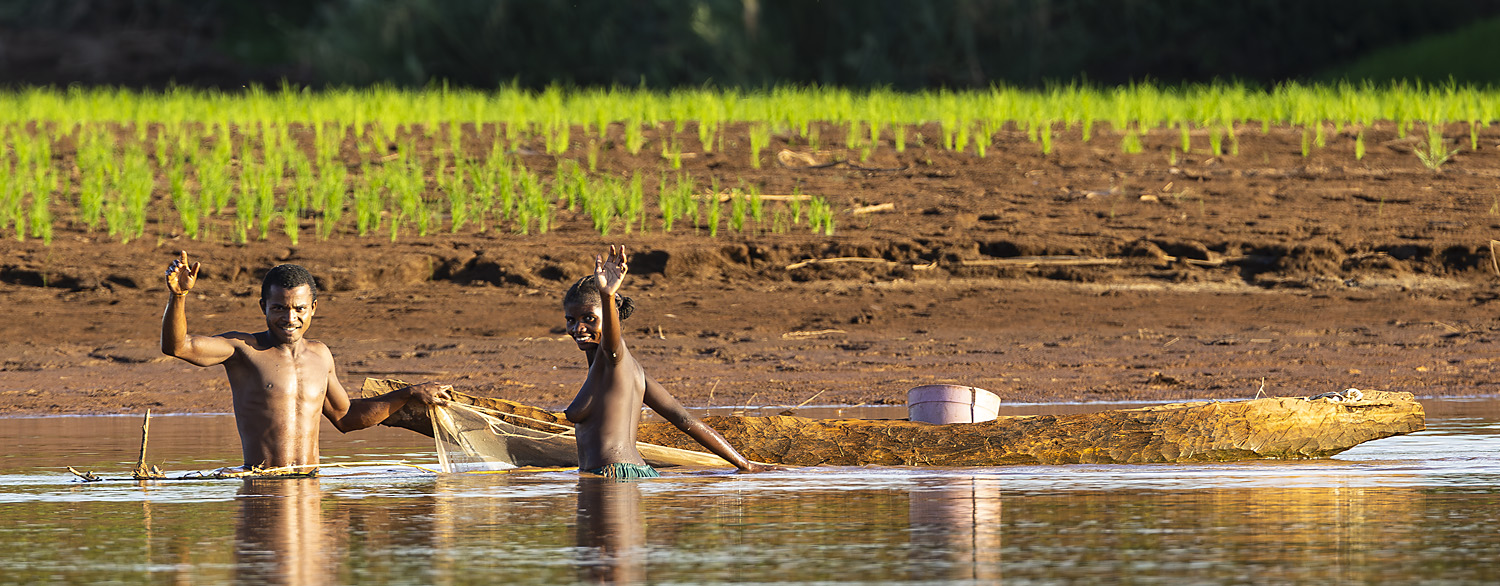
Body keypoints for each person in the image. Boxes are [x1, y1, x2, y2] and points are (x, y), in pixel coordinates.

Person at [160, 251, 451, 471]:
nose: (290, 318)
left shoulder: (320, 355)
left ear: (312, 308)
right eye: (278, 308)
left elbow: (346, 418)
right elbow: (178, 347)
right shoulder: (243, 350)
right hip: (262, 486)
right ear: (263, 307)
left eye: (299, 309)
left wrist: (409, 393)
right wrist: (179, 297)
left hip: (310, 486)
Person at [563, 245, 773, 477]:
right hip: (624, 474)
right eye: (571, 320)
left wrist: (608, 296)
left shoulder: (613, 358)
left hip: (612, 476)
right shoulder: (632, 371)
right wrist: (744, 464)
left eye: (590, 318)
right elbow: (684, 419)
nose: (578, 328)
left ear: (610, 315)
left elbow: (612, 344)